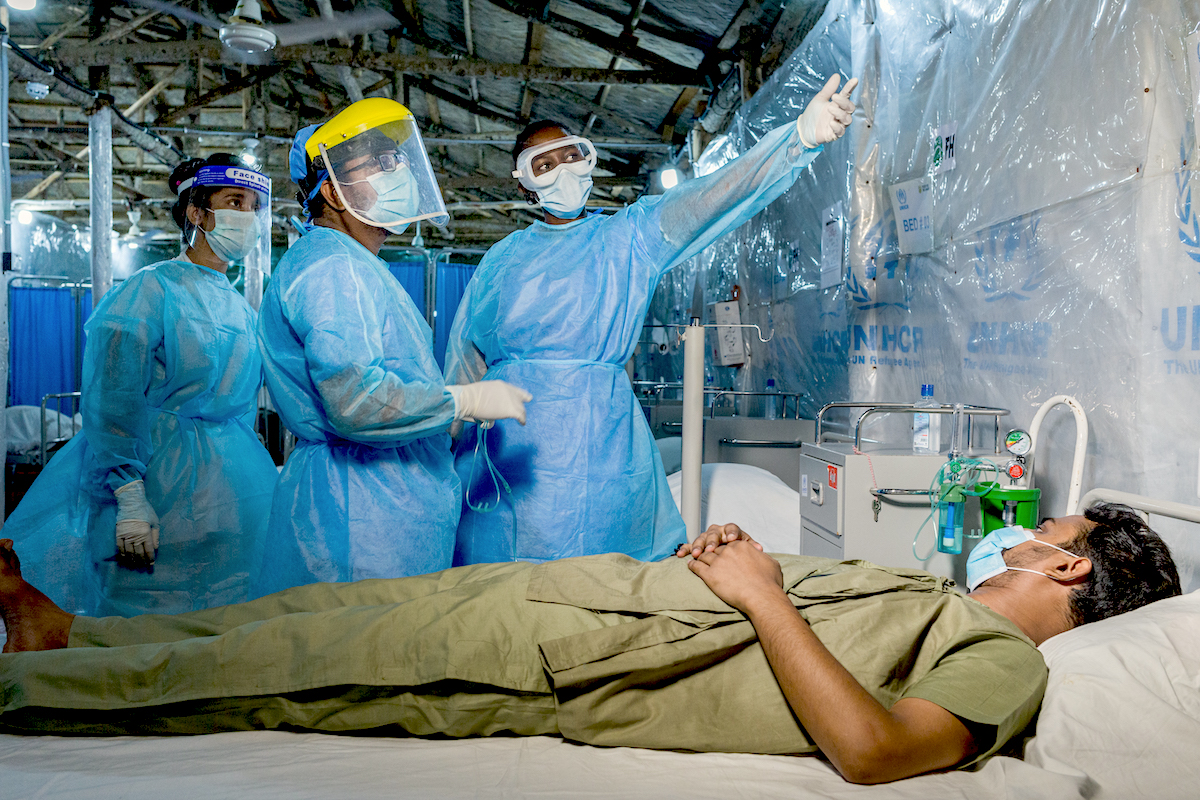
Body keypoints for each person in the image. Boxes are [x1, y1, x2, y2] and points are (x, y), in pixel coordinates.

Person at [0, 503, 1179, 785]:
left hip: (565, 661)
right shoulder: (939, 594)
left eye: (1043, 530)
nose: (1013, 535)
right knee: (307, 617)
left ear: (1069, 569)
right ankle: (76, 632)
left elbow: (874, 747)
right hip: (577, 596)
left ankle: (32, 689)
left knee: (274, 675)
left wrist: (761, 588)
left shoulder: (1004, 659)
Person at [444, 74, 859, 565]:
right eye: (545, 163)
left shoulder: (628, 239)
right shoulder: (498, 263)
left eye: (571, 155)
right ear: (524, 182)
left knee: (611, 593)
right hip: (503, 463)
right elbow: (462, 369)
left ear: (589, 159)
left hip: (600, 451)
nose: (562, 169)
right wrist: (442, 452)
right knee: (499, 605)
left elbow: (710, 199)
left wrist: (795, 140)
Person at [254, 98, 532, 596]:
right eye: (378, 163)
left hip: (386, 506)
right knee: (361, 660)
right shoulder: (331, 268)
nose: (397, 171)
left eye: (398, 160)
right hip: (357, 515)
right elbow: (355, 402)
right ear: (333, 190)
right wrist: (461, 401)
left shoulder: (357, 265)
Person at [0, 155, 280, 617]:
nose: (247, 217)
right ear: (196, 212)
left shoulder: (239, 307)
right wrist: (129, 495)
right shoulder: (150, 290)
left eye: (253, 205)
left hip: (232, 488)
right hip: (157, 482)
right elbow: (113, 396)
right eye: (234, 201)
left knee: (226, 614)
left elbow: (240, 407)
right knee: (142, 617)